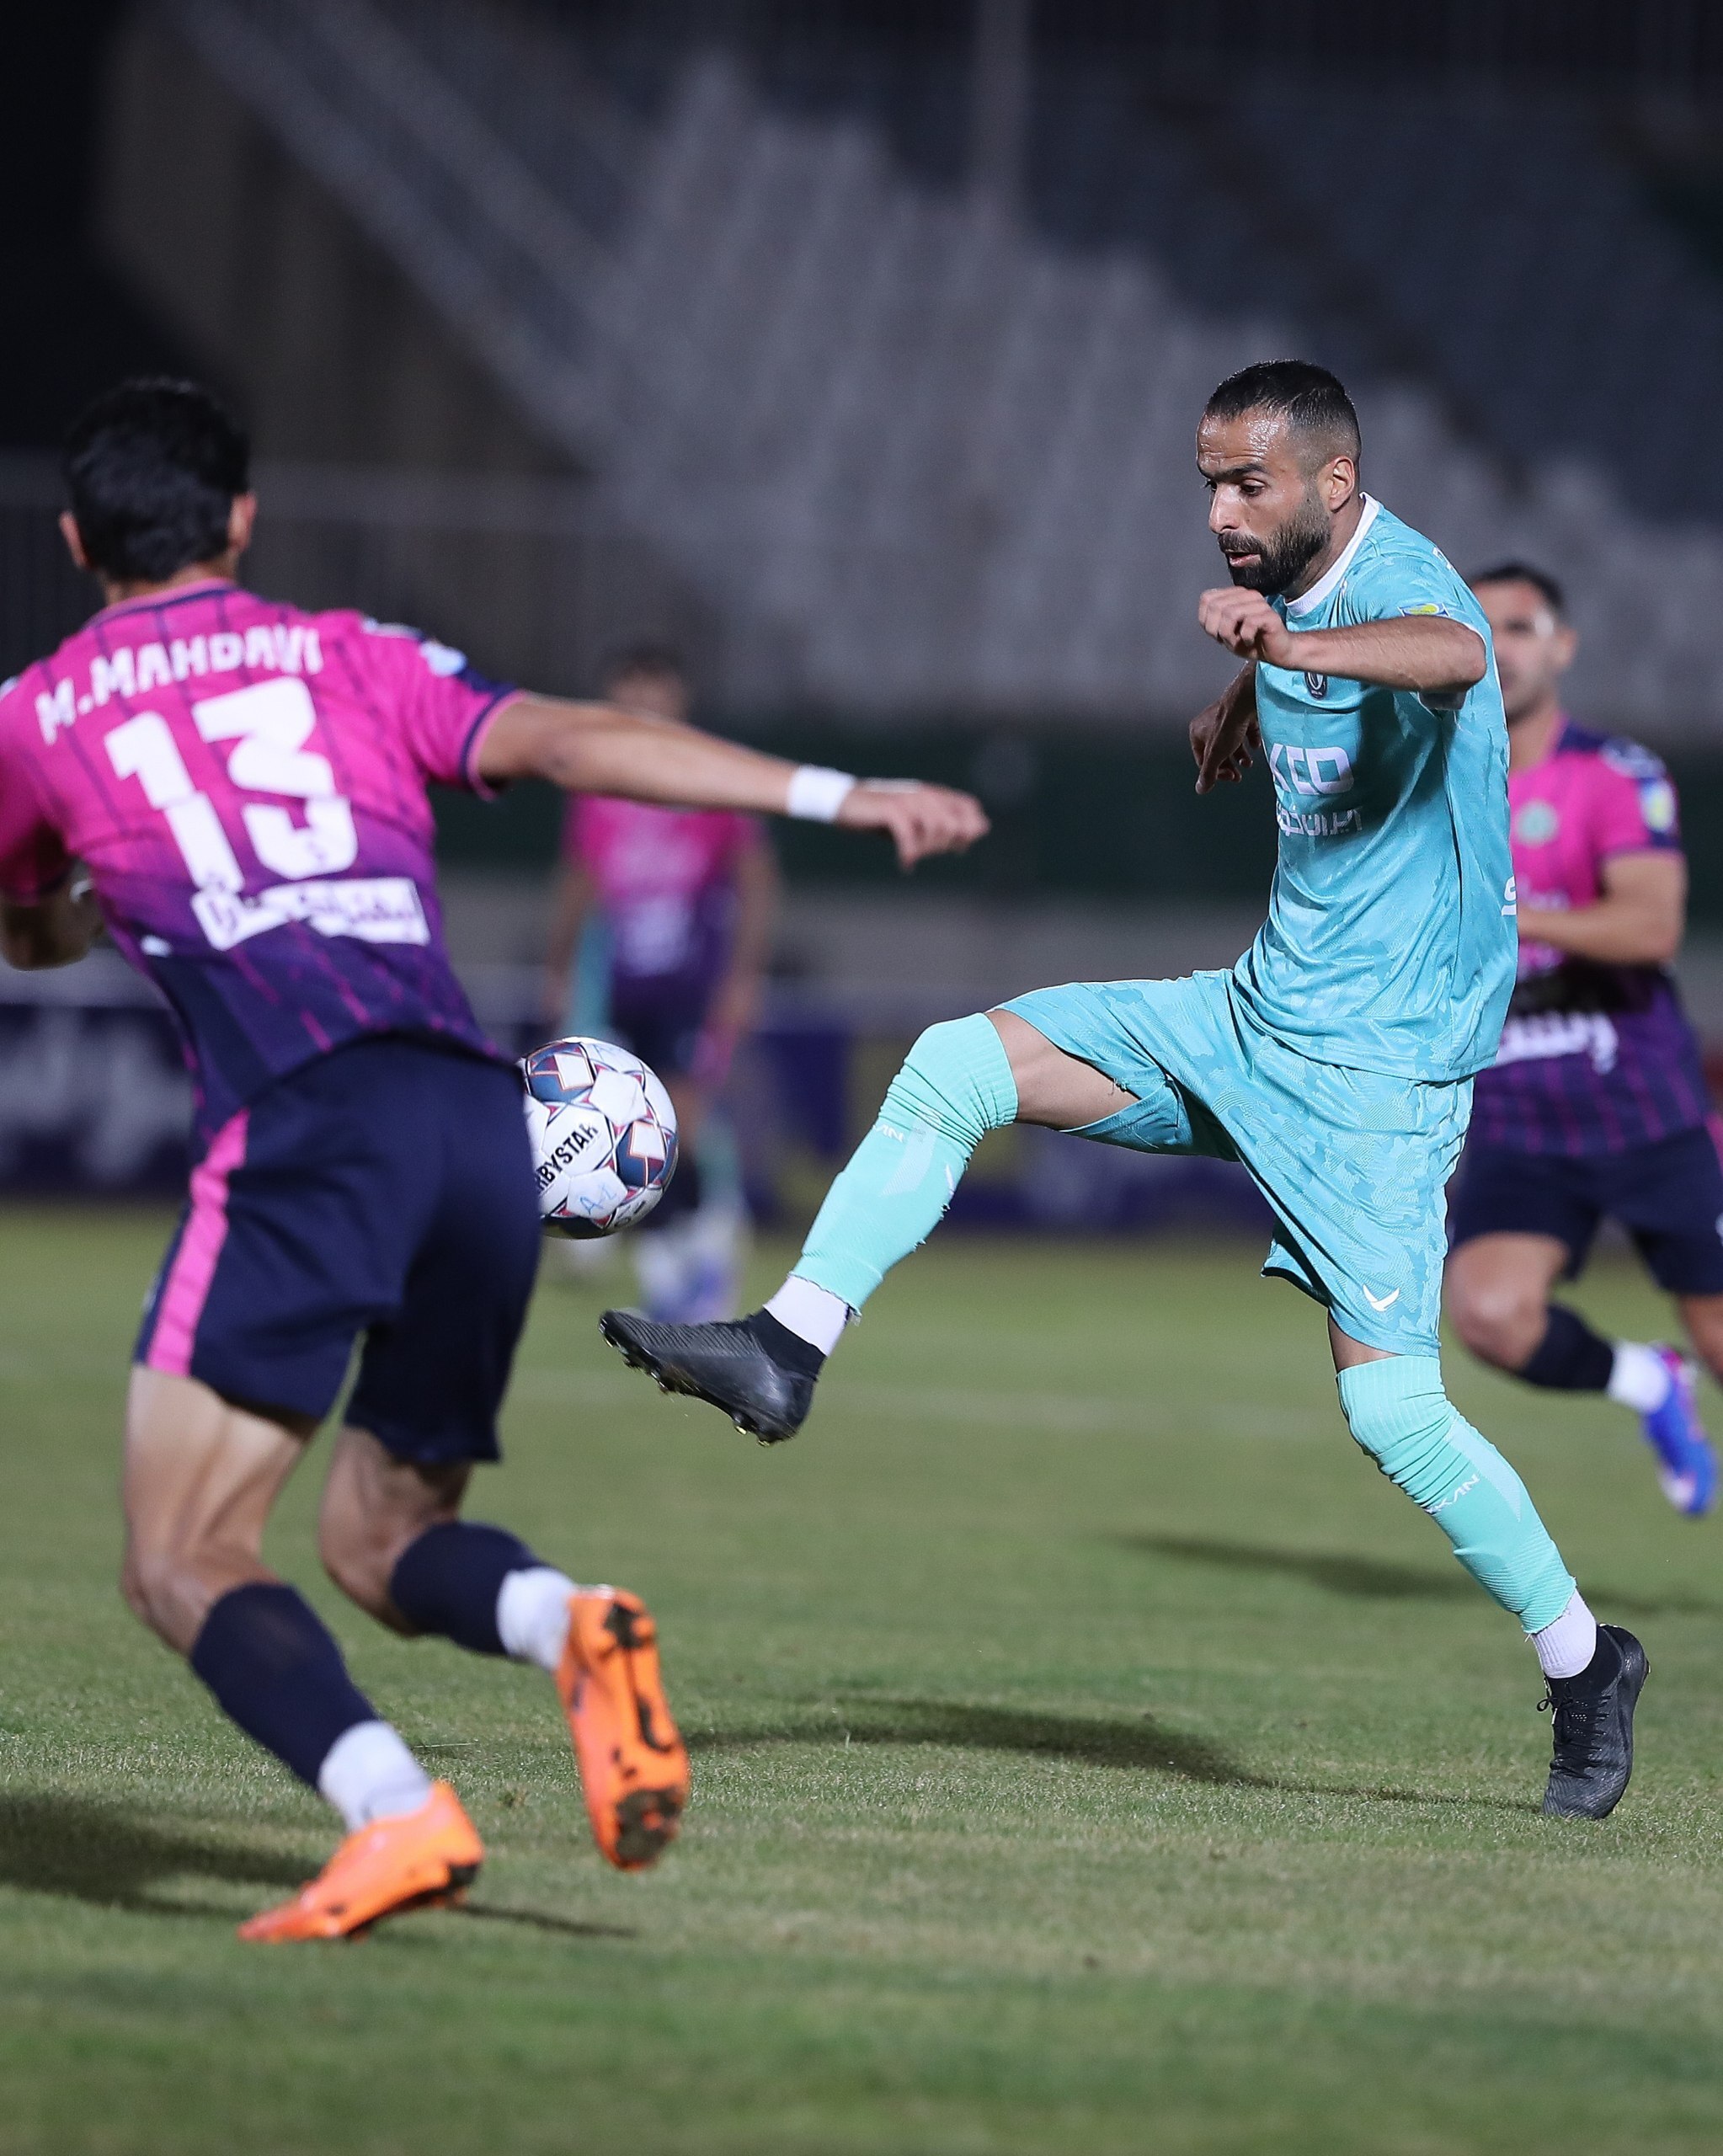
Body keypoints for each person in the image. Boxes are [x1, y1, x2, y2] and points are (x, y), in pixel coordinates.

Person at [0, 377, 986, 1940]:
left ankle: (397, 1815)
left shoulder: (41, 717)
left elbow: (33, 926)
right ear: (242, 520)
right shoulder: (353, 653)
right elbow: (580, 741)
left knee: (180, 1555)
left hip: (307, 1122)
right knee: (380, 1542)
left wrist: (73, 899)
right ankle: (571, 1623)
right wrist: (834, 792)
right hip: (480, 1123)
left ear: (72, 540)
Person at [603, 361, 1649, 1822]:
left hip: (1376, 1080)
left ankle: (1586, 1662)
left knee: (1394, 1415)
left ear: (1334, 484)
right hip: (1250, 1019)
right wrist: (1247, 691)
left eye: (1248, 486)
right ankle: (786, 1348)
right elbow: (1313, 648)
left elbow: (1451, 652)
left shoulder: (1406, 591)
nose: (1219, 512)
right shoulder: (1293, 600)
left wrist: (1284, 646)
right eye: (1208, 484)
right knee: (958, 1061)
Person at [1445, 565, 1719, 1514]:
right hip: (1517, 1114)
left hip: (1644, 1110)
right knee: (1488, 1315)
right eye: (1479, 628)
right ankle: (1649, 1381)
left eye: (1521, 627)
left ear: (1561, 647)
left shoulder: (1613, 773)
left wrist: (1509, 918)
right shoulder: (1433, 785)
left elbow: (1651, 927)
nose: (1501, 649)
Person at [541, 644, 776, 1322]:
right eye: (629, 692)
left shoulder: (710, 774)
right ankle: (670, 1271)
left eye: (654, 691)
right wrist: (559, 970)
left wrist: (744, 976)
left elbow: (757, 881)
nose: (642, 705)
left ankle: (710, 1249)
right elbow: (580, 883)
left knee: (683, 1121)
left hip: (693, 980)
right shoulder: (598, 785)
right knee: (632, 1131)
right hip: (625, 983)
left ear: (679, 698)